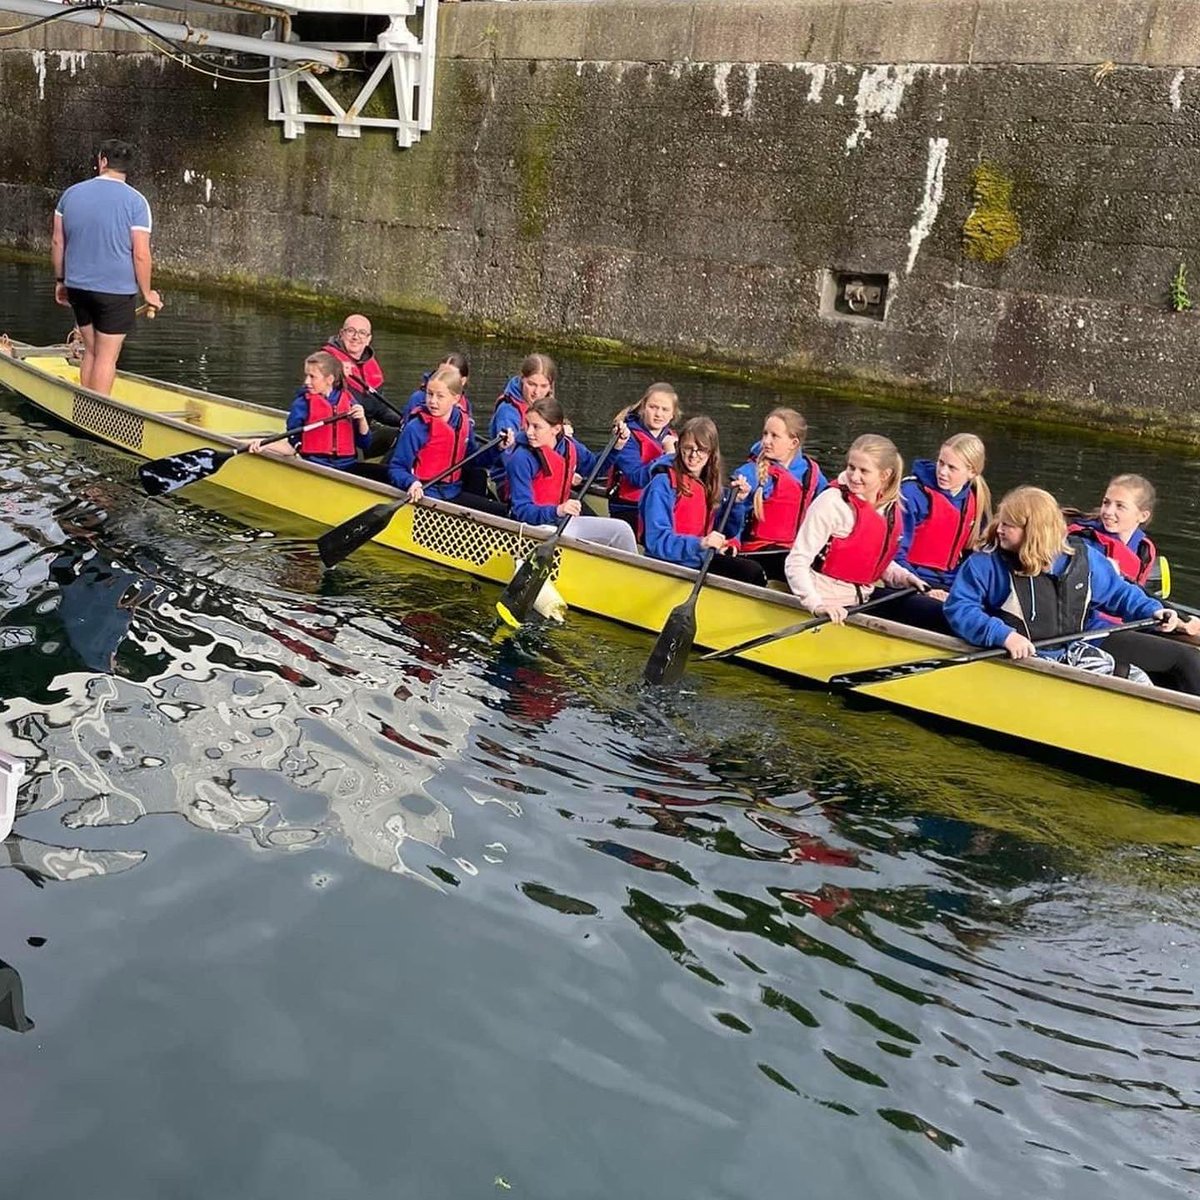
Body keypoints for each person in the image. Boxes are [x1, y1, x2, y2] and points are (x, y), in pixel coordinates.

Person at [944, 486, 1198, 694]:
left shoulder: (1081, 558)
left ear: (1034, 531)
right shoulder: (986, 564)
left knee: (1139, 681)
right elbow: (960, 608)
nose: (999, 529)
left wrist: (1152, 611)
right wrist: (1004, 636)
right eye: (1002, 522)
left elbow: (1119, 593)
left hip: (1071, 650)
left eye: (1009, 525)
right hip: (1021, 657)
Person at [51, 139, 163, 396]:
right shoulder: (137, 203)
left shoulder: (70, 194)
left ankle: (83, 408)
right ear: (127, 167)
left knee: (91, 351)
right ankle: (96, 418)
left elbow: (58, 241)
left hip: (77, 286)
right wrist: (147, 294)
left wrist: (60, 280)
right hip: (115, 292)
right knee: (106, 357)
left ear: (102, 161)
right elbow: (141, 254)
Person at [784, 434, 924, 621]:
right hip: (828, 602)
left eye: (863, 471)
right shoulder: (831, 503)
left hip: (863, 599)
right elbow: (796, 562)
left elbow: (870, 557)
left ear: (885, 475)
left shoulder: (888, 507)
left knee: (927, 609)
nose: (854, 476)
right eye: (851, 467)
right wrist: (816, 605)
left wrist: (904, 577)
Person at [874, 433, 992, 633]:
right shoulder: (913, 494)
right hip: (908, 581)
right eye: (941, 463)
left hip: (948, 584)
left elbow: (972, 560)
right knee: (952, 615)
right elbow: (894, 553)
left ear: (971, 472)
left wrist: (960, 591)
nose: (943, 472)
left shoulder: (974, 500)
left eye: (951, 468)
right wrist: (926, 589)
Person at [1068, 473, 1200, 637]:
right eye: (1106, 502)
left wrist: (1179, 622)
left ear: (1142, 516)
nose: (1108, 511)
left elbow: (1135, 596)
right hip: (1087, 626)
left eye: (1120, 506)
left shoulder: (1143, 549)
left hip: (1125, 621)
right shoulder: (1083, 542)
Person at [639, 416, 763, 585]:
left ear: (711, 453)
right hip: (670, 564)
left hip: (699, 560)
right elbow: (656, 541)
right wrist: (700, 543)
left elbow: (727, 531)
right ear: (678, 447)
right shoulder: (662, 484)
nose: (693, 456)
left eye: (701, 450)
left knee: (755, 571)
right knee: (751, 572)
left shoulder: (710, 484)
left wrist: (736, 504)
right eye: (688, 448)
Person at [505, 397, 637, 552]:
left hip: (562, 523)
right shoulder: (521, 458)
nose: (529, 432)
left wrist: (616, 446)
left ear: (556, 429)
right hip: (532, 528)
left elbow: (594, 468)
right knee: (551, 531)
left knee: (621, 529)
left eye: (536, 427)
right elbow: (521, 511)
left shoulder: (569, 446)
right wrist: (558, 510)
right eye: (527, 425)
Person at [388, 364, 506, 516]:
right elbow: (397, 468)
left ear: (455, 399)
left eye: (440, 396)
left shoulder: (463, 422)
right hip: (425, 495)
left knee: (502, 511)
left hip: (453, 492)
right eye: (429, 394)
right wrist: (411, 482)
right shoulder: (416, 428)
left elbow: (473, 460)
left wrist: (497, 447)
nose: (433, 401)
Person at [729, 407, 827, 582]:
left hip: (793, 550)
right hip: (757, 551)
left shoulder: (811, 474)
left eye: (774, 436)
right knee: (792, 566)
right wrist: (733, 540)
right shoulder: (748, 473)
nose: (766, 441)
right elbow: (734, 514)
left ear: (794, 443)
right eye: (765, 434)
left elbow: (829, 507)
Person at [247, 351, 369, 471]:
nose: (306, 382)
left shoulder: (349, 401)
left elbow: (364, 444)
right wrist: (264, 445)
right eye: (306, 375)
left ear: (330, 379)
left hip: (347, 466)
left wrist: (362, 420)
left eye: (312, 377)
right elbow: (292, 445)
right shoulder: (302, 404)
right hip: (315, 465)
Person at [320, 314, 400, 462]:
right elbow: (319, 395)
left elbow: (380, 409)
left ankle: (390, 475)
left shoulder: (371, 367)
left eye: (362, 333)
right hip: (335, 434)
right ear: (341, 333)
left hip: (362, 433)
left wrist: (404, 420)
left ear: (369, 339)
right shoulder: (325, 361)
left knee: (403, 434)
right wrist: (336, 373)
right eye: (351, 331)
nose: (356, 337)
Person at [609, 383, 680, 531]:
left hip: (660, 504)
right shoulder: (627, 436)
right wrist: (668, 456)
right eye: (653, 407)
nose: (659, 414)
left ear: (672, 414)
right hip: (628, 507)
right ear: (643, 408)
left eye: (665, 409)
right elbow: (636, 478)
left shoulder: (673, 439)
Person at [488, 353, 557, 496]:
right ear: (522, 379)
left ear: (550, 386)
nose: (537, 392)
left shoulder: (548, 408)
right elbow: (509, 458)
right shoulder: (508, 412)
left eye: (543, 386)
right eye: (531, 384)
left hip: (542, 474)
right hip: (508, 479)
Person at [405, 353, 471, 420]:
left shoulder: (465, 404)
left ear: (463, 381)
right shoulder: (418, 398)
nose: (443, 377)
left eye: (450, 375)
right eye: (440, 372)